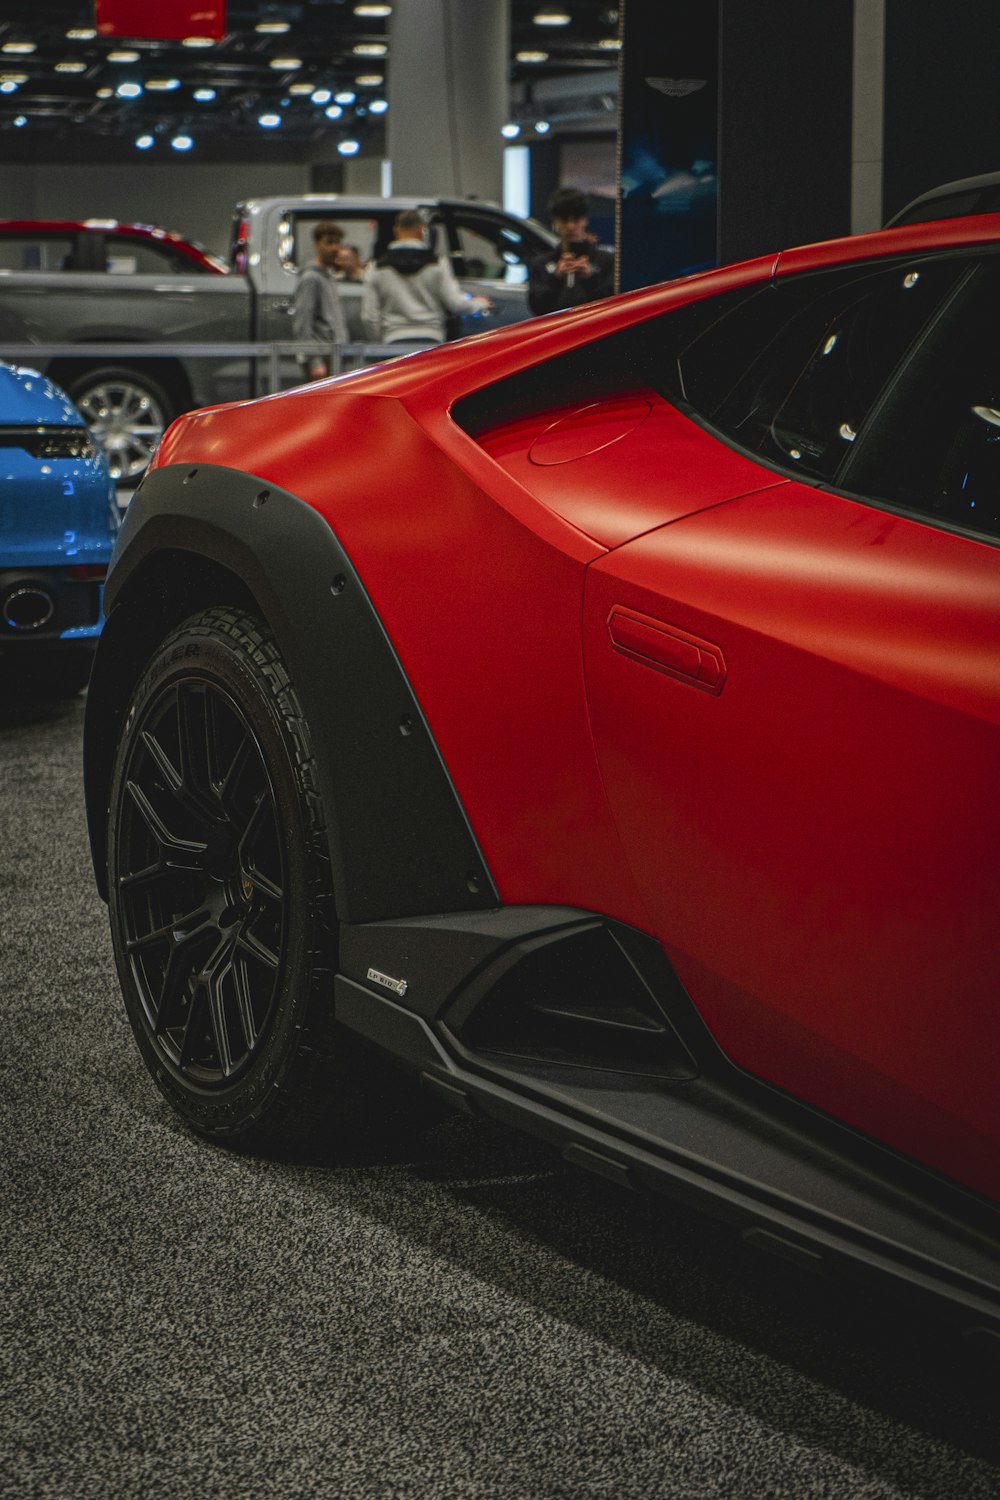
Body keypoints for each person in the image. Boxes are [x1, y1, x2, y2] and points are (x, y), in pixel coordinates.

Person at [361, 209, 490, 347]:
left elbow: (369, 316)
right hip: (431, 340)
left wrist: (381, 340)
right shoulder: (437, 264)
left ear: (396, 230)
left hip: (393, 340)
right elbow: (454, 303)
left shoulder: (377, 267)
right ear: (421, 229)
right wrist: (479, 303)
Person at [527, 186, 614, 316]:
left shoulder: (606, 261)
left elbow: (613, 306)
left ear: (585, 220)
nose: (571, 226)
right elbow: (536, 309)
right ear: (555, 221)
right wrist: (556, 279)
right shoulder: (540, 264)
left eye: (576, 220)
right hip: (557, 331)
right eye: (564, 220)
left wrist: (590, 280)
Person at [292, 220, 349, 380]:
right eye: (329, 242)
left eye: (337, 243)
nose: (334, 248)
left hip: (333, 354)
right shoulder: (311, 278)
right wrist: (314, 361)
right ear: (317, 244)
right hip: (320, 358)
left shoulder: (328, 277)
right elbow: (303, 324)